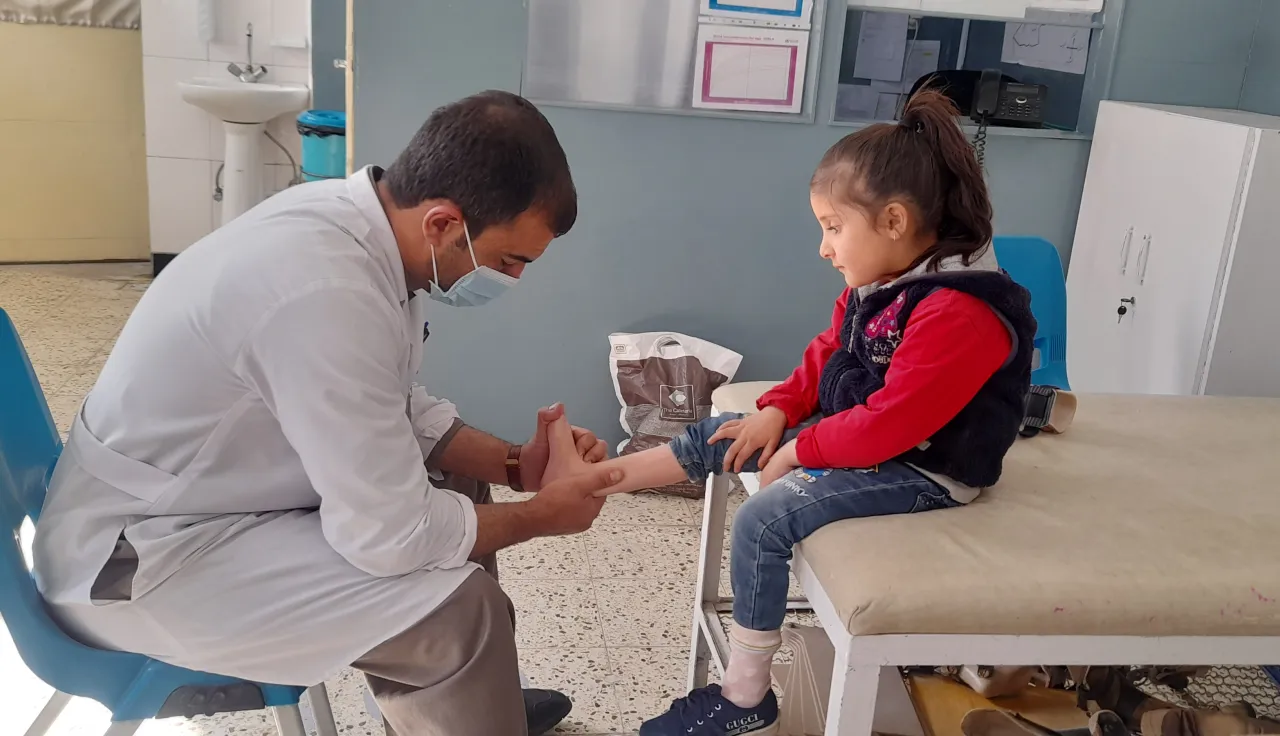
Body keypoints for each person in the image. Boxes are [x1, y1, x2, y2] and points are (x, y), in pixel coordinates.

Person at [32, 90, 626, 736]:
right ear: (442, 224)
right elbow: (389, 538)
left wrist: (516, 465)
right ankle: (466, 685)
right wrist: (540, 518)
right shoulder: (321, 288)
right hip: (140, 563)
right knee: (464, 612)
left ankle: (467, 701)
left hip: (199, 509)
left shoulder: (363, 230)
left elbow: (393, 405)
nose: (513, 278)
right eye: (511, 260)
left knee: (457, 486)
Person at [538, 89, 1039, 736]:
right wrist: (777, 413)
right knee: (733, 432)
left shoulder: (961, 311)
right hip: (875, 438)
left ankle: (745, 699)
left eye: (833, 228)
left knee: (766, 518)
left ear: (892, 221)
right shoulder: (886, 283)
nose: (825, 249)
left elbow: (893, 424)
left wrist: (801, 450)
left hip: (929, 469)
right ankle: (597, 483)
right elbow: (827, 352)